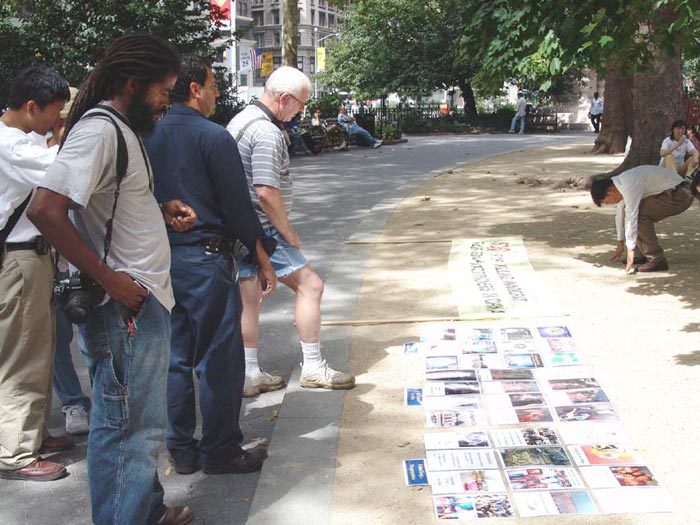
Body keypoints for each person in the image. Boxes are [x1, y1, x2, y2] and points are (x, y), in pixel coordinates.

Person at [27, 34, 196, 524]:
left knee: (140, 420)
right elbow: (45, 209)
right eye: (162, 90)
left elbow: (106, 205)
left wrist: (157, 209)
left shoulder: (119, 130)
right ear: (132, 83)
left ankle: (144, 508)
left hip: (138, 300)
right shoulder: (100, 131)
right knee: (127, 425)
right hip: (124, 305)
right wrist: (109, 279)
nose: (166, 100)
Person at [142, 56, 277, 476]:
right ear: (195, 89)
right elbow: (237, 204)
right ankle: (220, 449)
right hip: (205, 257)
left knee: (177, 357)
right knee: (219, 357)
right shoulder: (213, 136)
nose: (218, 93)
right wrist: (261, 254)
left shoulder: (147, 134)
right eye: (214, 85)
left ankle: (181, 448)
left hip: (161, 260)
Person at [227, 66, 356, 397]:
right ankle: (312, 366)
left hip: (239, 226)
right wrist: (288, 232)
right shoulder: (266, 132)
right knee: (311, 286)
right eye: (300, 104)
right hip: (264, 228)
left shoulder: (240, 121)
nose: (301, 111)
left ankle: (247, 372)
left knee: (249, 296)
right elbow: (266, 191)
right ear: (284, 99)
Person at [0, 66, 71, 483]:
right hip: (20, 259)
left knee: (36, 351)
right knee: (23, 356)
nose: (57, 120)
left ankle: (32, 434)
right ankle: (16, 452)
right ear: (31, 106)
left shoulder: (20, 138)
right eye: (55, 112)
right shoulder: (11, 146)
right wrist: (65, 137)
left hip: (31, 257)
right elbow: (61, 171)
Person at [590, 165, 694, 273]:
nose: (611, 203)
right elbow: (620, 214)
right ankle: (641, 254)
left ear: (611, 191)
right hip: (674, 191)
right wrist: (620, 242)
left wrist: (630, 250)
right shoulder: (620, 183)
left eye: (608, 202)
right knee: (635, 215)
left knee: (638, 216)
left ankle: (656, 259)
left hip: (681, 194)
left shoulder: (628, 185)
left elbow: (631, 216)